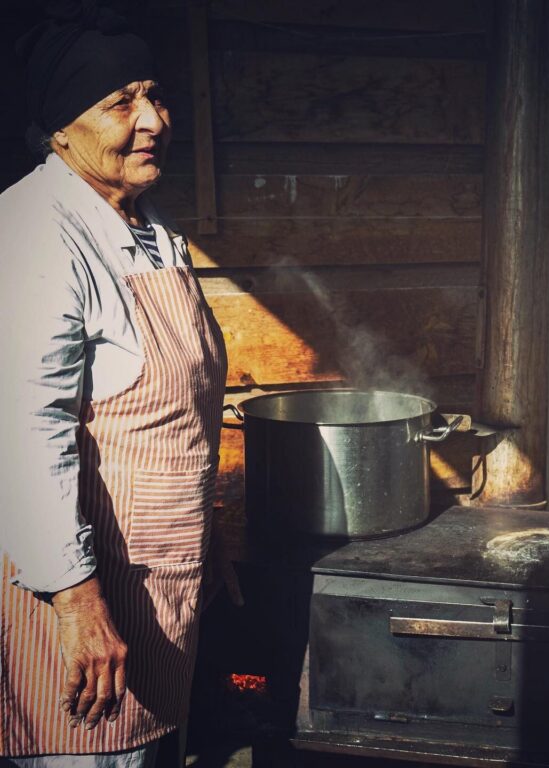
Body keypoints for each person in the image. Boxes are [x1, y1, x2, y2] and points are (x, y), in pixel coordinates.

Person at [0, 3, 229, 766]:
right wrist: (74, 598)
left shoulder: (151, 229)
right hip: (76, 597)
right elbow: (23, 433)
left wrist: (204, 533)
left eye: (154, 95)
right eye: (120, 103)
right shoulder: (37, 232)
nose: (153, 120)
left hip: (157, 575)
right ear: (61, 130)